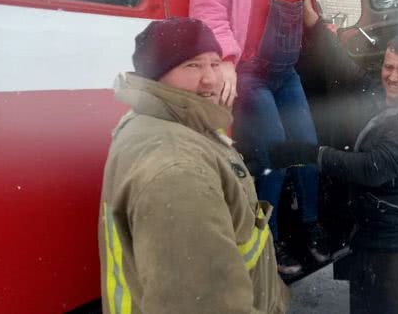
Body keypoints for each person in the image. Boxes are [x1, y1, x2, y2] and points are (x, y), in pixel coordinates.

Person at [189, 0, 348, 275]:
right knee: (274, 152)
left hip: (285, 73)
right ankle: (269, 238)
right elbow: (207, 8)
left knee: (308, 148)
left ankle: (310, 228)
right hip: (251, 73)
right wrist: (225, 59)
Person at [97, 17, 290, 314]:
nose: (211, 78)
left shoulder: (171, 122)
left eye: (214, 63)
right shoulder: (176, 170)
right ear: (155, 75)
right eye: (192, 65)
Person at [268, 1, 398, 314]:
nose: (393, 76)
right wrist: (314, 24)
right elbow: (344, 71)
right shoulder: (381, 95)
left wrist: (311, 154)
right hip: (367, 238)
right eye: (389, 67)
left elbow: (374, 167)